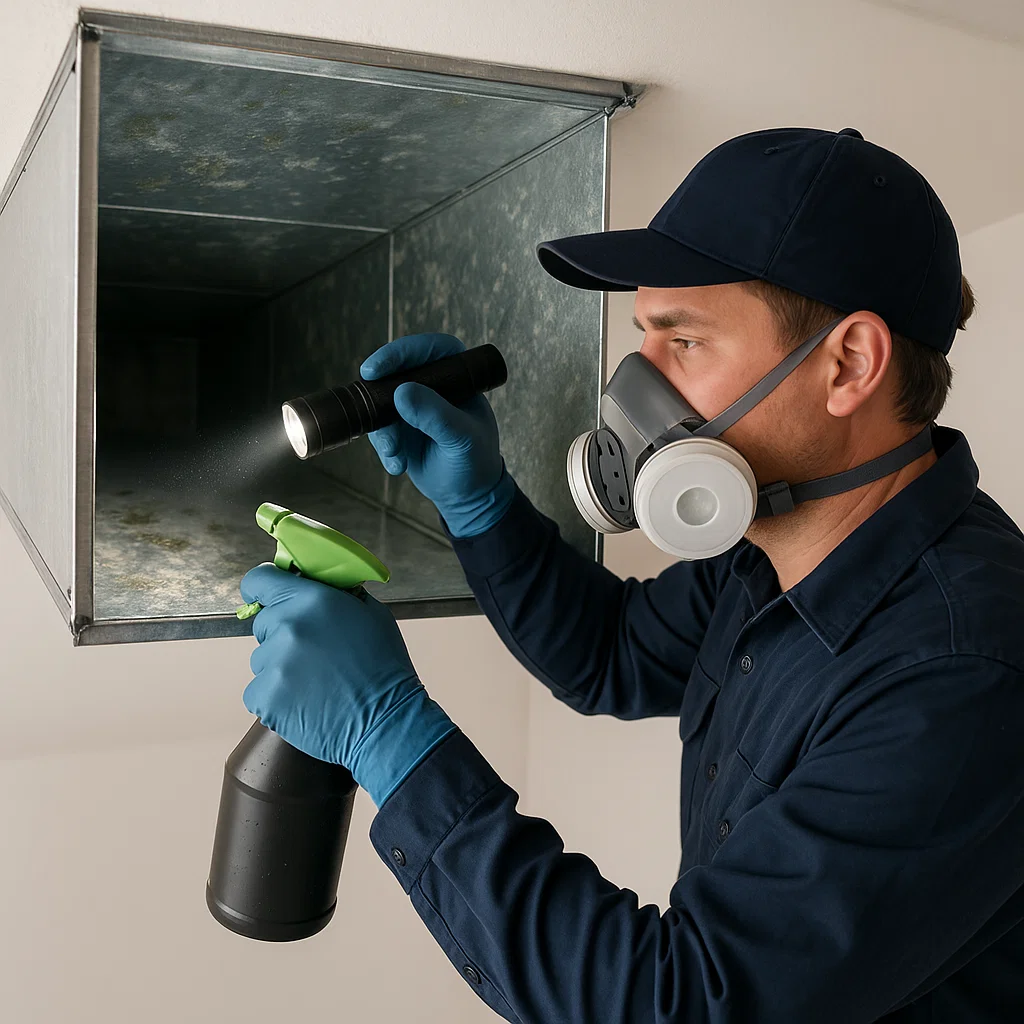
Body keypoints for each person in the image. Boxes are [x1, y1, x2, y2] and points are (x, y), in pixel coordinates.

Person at [238, 126, 1024, 1023]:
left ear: (848, 364)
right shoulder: (776, 542)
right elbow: (612, 653)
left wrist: (390, 736)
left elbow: (680, 1004)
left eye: (683, 343)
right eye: (643, 338)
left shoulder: (964, 674)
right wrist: (482, 505)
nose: (632, 387)